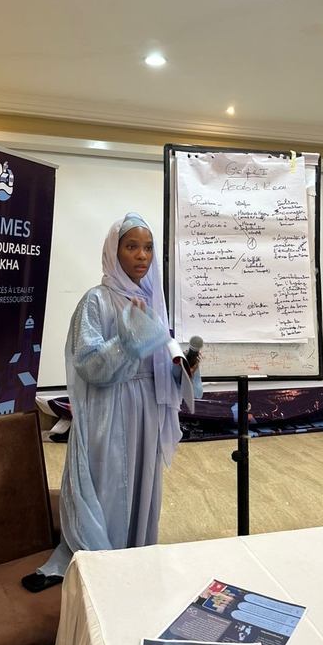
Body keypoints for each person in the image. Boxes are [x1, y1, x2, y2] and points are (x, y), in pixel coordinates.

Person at [34, 212, 201, 582]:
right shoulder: (96, 302)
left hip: (147, 411)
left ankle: (136, 562)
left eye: (148, 248)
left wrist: (183, 371)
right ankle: (104, 571)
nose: (142, 256)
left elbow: (161, 362)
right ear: (114, 252)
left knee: (142, 491)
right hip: (109, 413)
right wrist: (126, 343)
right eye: (132, 247)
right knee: (112, 489)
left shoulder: (153, 303)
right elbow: (89, 365)